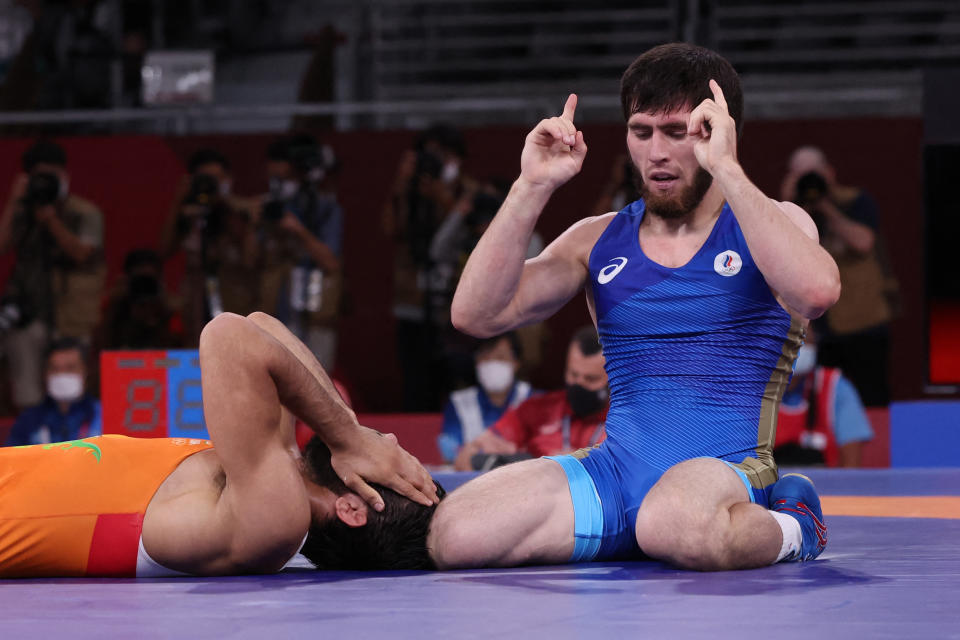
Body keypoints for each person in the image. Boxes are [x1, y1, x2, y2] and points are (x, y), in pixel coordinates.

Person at [428, 43, 841, 571]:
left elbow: (817, 293)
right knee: (455, 534)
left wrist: (729, 170)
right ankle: (638, 530)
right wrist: (531, 187)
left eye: (677, 132)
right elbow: (476, 315)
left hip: (724, 471)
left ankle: (794, 525)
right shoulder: (597, 239)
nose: (656, 153)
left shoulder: (772, 223)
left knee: (675, 522)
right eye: (641, 131)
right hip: (614, 473)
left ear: (719, 130)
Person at [0, 312, 441, 578]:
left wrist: (348, 438)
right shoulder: (278, 467)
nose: (392, 442)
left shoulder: (275, 518)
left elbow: (229, 336)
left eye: (396, 465)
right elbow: (262, 325)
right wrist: (349, 433)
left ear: (351, 508)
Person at [781, 146, 896, 406]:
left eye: (813, 173)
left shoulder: (855, 201)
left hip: (863, 322)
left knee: (872, 397)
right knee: (821, 403)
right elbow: (785, 252)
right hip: (818, 328)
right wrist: (793, 204)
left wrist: (826, 206)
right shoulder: (790, 211)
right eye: (801, 174)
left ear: (829, 172)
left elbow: (863, 242)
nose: (809, 180)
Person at [0, 140, 106, 412]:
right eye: (39, 176)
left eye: (53, 175)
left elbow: (82, 253)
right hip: (30, 314)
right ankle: (33, 442)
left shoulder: (83, 212)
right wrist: (14, 201)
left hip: (72, 315)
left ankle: (77, 441)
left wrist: (51, 220)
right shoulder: (23, 211)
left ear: (65, 175)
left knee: (72, 388)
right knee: (28, 390)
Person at [454, 326, 608, 471]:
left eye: (590, 379)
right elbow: (464, 459)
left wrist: (573, 464)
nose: (578, 384)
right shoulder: (539, 410)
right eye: (573, 375)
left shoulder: (625, 420)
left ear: (613, 378)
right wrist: (489, 453)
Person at [256, 134, 343, 371]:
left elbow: (331, 263)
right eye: (273, 179)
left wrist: (298, 231)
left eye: (283, 178)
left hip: (316, 315)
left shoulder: (325, 208)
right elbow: (252, 259)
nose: (279, 184)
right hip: (276, 315)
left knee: (319, 386)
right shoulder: (268, 209)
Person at [160, 148, 258, 346]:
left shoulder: (241, 209)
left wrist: (222, 205)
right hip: (195, 301)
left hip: (234, 298)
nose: (210, 185)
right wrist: (178, 203)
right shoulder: (189, 212)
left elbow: (250, 259)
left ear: (228, 179)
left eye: (216, 179)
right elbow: (163, 250)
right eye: (205, 179)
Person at [775, 328, 874, 468]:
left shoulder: (835, 387)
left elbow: (852, 468)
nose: (795, 348)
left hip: (825, 488)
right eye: (787, 342)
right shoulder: (747, 386)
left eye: (804, 343)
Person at [437, 332, 534, 467]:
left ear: (516, 362)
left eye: (500, 357)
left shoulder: (533, 400)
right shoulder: (459, 403)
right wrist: (478, 447)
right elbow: (450, 453)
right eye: (486, 357)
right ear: (476, 362)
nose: (492, 364)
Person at [5, 337, 101, 447]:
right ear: (45, 374)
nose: (61, 374)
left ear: (85, 371)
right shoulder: (29, 420)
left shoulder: (102, 416)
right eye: (54, 369)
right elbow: (12, 460)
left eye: (70, 368)